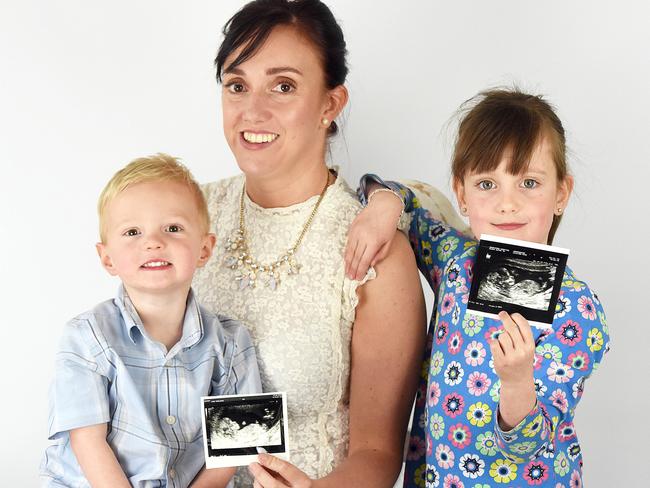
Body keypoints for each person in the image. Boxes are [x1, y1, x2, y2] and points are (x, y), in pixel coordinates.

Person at [191, 1, 431, 486]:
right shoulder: (187, 216)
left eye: (283, 86)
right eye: (237, 86)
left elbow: (378, 454)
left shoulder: (375, 251)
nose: (253, 111)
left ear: (330, 104)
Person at [346, 89, 610, 486]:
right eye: (487, 184)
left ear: (561, 194)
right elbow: (405, 197)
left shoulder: (576, 309)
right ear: (461, 194)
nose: (507, 204)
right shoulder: (455, 259)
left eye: (529, 183)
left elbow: (530, 444)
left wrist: (518, 380)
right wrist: (385, 203)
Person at [40, 154, 261, 488]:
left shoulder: (231, 341)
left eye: (173, 228)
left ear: (204, 248)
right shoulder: (86, 336)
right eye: (132, 231)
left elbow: (236, 446)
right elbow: (88, 442)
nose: (154, 242)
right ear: (107, 258)